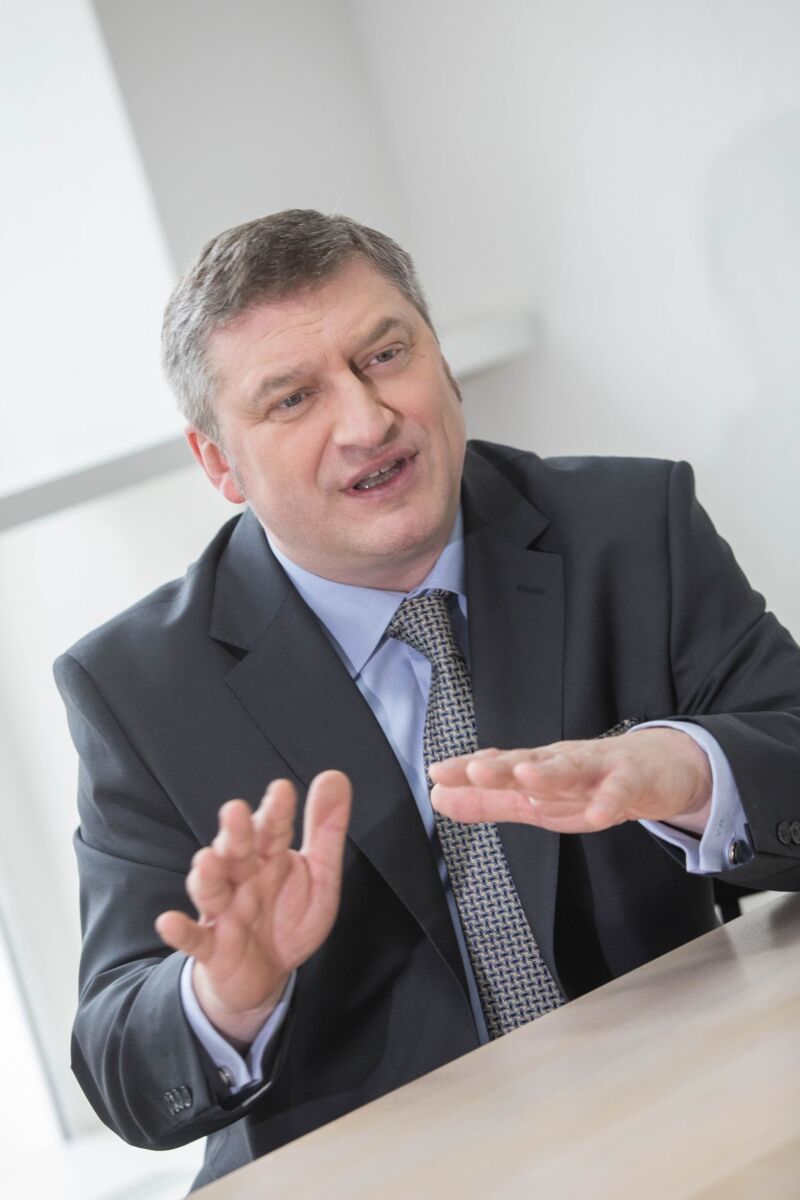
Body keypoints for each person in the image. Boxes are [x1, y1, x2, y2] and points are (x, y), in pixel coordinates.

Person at [55, 210, 800, 1192]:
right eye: (292, 398)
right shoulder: (137, 686)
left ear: (440, 360)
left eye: (384, 354)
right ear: (220, 464)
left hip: (672, 1126)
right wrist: (224, 994)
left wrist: (691, 773)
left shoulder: (630, 527)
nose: (366, 423)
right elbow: (120, 1065)